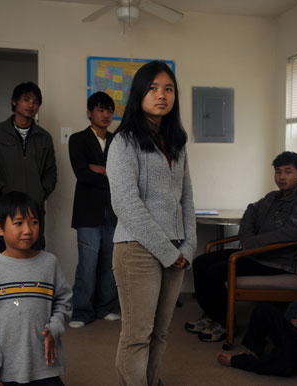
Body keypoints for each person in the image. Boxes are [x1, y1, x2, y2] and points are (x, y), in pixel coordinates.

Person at [106, 60, 196, 386]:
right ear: (139, 94)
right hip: (136, 249)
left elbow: (186, 199)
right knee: (137, 335)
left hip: (174, 250)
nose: (162, 95)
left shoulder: (177, 144)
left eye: (168, 89)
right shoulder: (124, 142)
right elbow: (126, 205)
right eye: (153, 88)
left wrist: (187, 245)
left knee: (160, 333)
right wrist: (167, 252)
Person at [186, 151, 297, 342]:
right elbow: (251, 210)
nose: (281, 177)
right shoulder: (273, 197)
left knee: (214, 272)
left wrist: (253, 243)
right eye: (278, 171)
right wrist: (246, 237)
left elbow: (293, 233)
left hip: (274, 261)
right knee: (199, 262)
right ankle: (211, 315)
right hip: (255, 253)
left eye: (288, 172)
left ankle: (224, 322)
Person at [0, 191, 72, 386]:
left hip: (46, 366)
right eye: (19, 223)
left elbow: (63, 300)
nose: (28, 230)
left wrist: (55, 328)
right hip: (6, 372)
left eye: (34, 222)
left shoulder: (49, 263)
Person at [0, 82, 57, 256]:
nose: (30, 105)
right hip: (5, 207)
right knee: (2, 257)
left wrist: (41, 192)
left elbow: (51, 172)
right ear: (14, 102)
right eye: (26, 99)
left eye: (35, 102)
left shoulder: (44, 137)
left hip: (34, 209)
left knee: (34, 258)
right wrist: (2, 189)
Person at [68, 91, 120, 328]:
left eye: (109, 110)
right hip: (88, 212)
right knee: (87, 264)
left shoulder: (118, 140)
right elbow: (82, 174)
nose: (106, 114)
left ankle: (105, 307)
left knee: (111, 263)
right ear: (90, 113)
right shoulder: (78, 139)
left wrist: (100, 169)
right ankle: (81, 311)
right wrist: (106, 171)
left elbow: (122, 175)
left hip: (114, 211)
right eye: (100, 109)